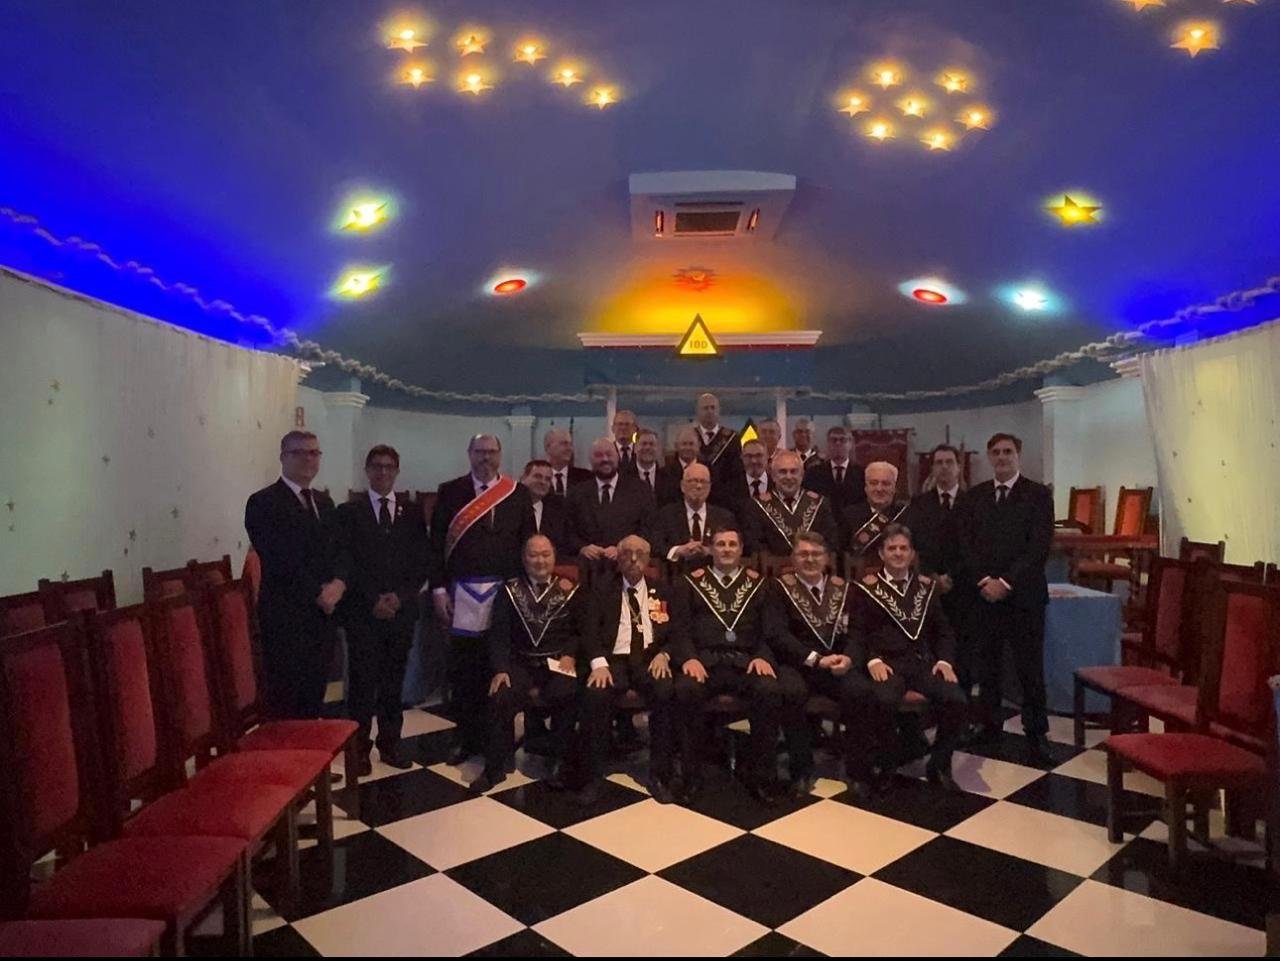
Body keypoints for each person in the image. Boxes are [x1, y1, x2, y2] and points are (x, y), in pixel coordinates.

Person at [427, 434, 535, 765]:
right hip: (463, 594)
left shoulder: (517, 493)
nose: (485, 458)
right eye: (479, 452)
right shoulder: (450, 491)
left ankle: (497, 741)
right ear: (469, 454)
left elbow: (528, 544)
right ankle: (466, 738)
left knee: (499, 667)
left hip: (506, 594)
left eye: (491, 452)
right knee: (465, 671)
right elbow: (436, 545)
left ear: (500, 455)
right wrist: (438, 589)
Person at [671, 528, 798, 802]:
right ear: (711, 550)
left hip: (747, 661)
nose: (726, 549)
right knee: (685, 690)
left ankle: (763, 777)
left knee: (769, 691)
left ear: (741, 550)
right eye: (720, 544)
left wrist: (763, 656)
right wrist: (689, 658)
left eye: (732, 544)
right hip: (704, 662)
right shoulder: (689, 583)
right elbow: (680, 630)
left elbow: (771, 631)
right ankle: (691, 776)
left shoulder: (761, 584)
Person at [957, 433, 1054, 765]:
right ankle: (988, 727)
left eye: (1007, 451)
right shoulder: (975, 497)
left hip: (1024, 596)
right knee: (989, 666)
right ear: (989, 456)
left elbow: (1038, 547)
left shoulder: (1038, 495)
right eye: (996, 452)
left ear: (1018, 455)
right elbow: (966, 545)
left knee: (1029, 667)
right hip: (985, 595)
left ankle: (1036, 733)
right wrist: (986, 580)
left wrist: (1007, 582)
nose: (1001, 457)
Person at [332, 445, 430, 772]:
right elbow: (346, 562)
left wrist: (400, 597)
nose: (383, 472)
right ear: (367, 470)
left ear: (397, 471)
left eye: (389, 466)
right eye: (377, 466)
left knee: (392, 682)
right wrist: (373, 599)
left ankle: (390, 744)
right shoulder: (349, 512)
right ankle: (359, 750)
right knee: (362, 685)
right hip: (363, 613)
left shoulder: (412, 512)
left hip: (401, 613)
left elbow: (421, 561)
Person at [850, 524, 967, 792]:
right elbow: (857, 633)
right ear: (882, 554)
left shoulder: (927, 587)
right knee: (882, 700)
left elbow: (944, 631)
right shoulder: (865, 588)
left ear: (912, 554)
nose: (898, 553)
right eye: (892, 548)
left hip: (921, 663)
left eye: (904, 548)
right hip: (886, 664)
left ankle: (939, 764)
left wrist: (945, 661)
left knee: (957, 699)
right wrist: (872, 660)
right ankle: (887, 765)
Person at [468, 535, 585, 794]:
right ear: (524, 559)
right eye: (533, 555)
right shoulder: (509, 590)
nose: (540, 561)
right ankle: (494, 768)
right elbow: (499, 634)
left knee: (568, 692)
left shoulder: (570, 588)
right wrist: (501, 669)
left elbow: (579, 631)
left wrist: (570, 654)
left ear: (554, 557)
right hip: (520, 663)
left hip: (557, 663)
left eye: (545, 554)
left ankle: (560, 762)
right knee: (501, 694)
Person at [245, 430, 344, 720]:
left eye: (314, 452)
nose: (308, 459)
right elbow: (278, 558)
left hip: (322, 618)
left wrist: (339, 583)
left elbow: (339, 550)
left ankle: (312, 746)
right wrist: (318, 593)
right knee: (286, 704)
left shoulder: (324, 503)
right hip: (286, 617)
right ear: (282, 458)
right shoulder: (263, 502)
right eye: (298, 453)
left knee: (314, 698)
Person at [579, 535, 684, 804]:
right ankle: (592, 776)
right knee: (595, 694)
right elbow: (589, 632)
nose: (633, 559)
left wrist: (664, 655)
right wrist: (598, 664)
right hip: (613, 661)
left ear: (648, 559)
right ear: (618, 557)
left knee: (666, 690)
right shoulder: (601, 589)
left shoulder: (663, 590)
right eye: (627, 553)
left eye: (640, 554)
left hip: (649, 659)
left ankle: (660, 774)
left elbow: (678, 632)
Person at [772, 532, 877, 798]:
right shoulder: (778, 589)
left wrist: (849, 658)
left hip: (837, 664)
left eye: (816, 554)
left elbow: (858, 633)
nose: (810, 559)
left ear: (827, 558)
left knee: (861, 691)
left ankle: (858, 771)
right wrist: (815, 659)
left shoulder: (846, 589)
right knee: (790, 693)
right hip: (798, 663)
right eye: (803, 554)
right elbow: (778, 635)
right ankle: (801, 770)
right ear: (793, 559)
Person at [904, 445, 971, 688]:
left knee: (964, 648)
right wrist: (931, 575)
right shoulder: (919, 503)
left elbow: (976, 546)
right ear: (932, 468)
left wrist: (951, 576)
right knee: (933, 644)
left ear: (958, 467)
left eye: (949, 462)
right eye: (939, 462)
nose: (944, 467)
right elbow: (915, 545)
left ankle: (963, 699)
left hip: (963, 585)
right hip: (928, 585)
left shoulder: (973, 502)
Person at [565, 437, 655, 581]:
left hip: (627, 569)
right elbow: (569, 530)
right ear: (590, 460)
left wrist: (623, 548)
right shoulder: (576, 493)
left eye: (609, 454)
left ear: (617, 457)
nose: (605, 459)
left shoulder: (640, 490)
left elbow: (648, 528)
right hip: (588, 572)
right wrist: (583, 548)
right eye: (598, 455)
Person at [742, 449, 840, 557]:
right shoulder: (756, 506)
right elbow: (755, 545)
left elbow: (830, 542)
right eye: (783, 472)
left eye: (793, 471)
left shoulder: (820, 503)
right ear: (773, 476)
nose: (789, 477)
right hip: (774, 566)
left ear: (802, 475)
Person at [650, 463, 736, 576]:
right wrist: (678, 551)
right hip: (677, 577)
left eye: (703, 482)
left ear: (710, 487)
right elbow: (656, 546)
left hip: (715, 577)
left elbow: (734, 548)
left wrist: (711, 551)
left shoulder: (724, 517)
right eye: (693, 481)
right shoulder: (666, 515)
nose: (699, 486)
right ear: (682, 486)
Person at [841, 461, 909, 573]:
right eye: (873, 483)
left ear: (894, 488)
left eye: (886, 484)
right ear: (866, 487)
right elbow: (844, 554)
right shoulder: (849, 515)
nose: (879, 489)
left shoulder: (905, 514)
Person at [804, 426, 865, 515]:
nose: (838, 443)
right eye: (834, 440)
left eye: (842, 440)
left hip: (854, 521)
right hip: (823, 520)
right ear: (828, 444)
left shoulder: (862, 474)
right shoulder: (813, 474)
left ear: (850, 444)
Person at [693, 392, 745, 495]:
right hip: (696, 492)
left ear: (719, 410)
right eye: (705, 408)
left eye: (713, 408)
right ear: (698, 412)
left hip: (725, 495)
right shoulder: (690, 437)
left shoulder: (732, 438)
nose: (710, 411)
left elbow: (737, 472)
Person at [521, 459, 568, 556]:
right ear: (523, 478)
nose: (543, 482)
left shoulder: (557, 511)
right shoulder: (510, 507)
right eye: (537, 476)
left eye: (548, 479)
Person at [724, 438, 772, 526]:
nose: (754, 461)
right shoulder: (730, 488)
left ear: (767, 456)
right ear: (741, 458)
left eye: (759, 455)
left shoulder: (777, 485)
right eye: (748, 456)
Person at [655, 426, 700, 507]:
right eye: (684, 444)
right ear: (676, 446)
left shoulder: (709, 470)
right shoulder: (664, 473)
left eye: (691, 444)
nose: (688, 448)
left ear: (699, 445)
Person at [543, 428, 592, 498]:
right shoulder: (538, 477)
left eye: (570, 444)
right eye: (564, 444)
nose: (569, 449)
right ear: (548, 447)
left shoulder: (586, 477)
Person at [631, 427, 663, 496]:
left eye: (651, 444)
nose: (648, 447)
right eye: (644, 444)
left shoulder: (669, 478)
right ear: (635, 448)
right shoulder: (624, 477)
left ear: (658, 448)